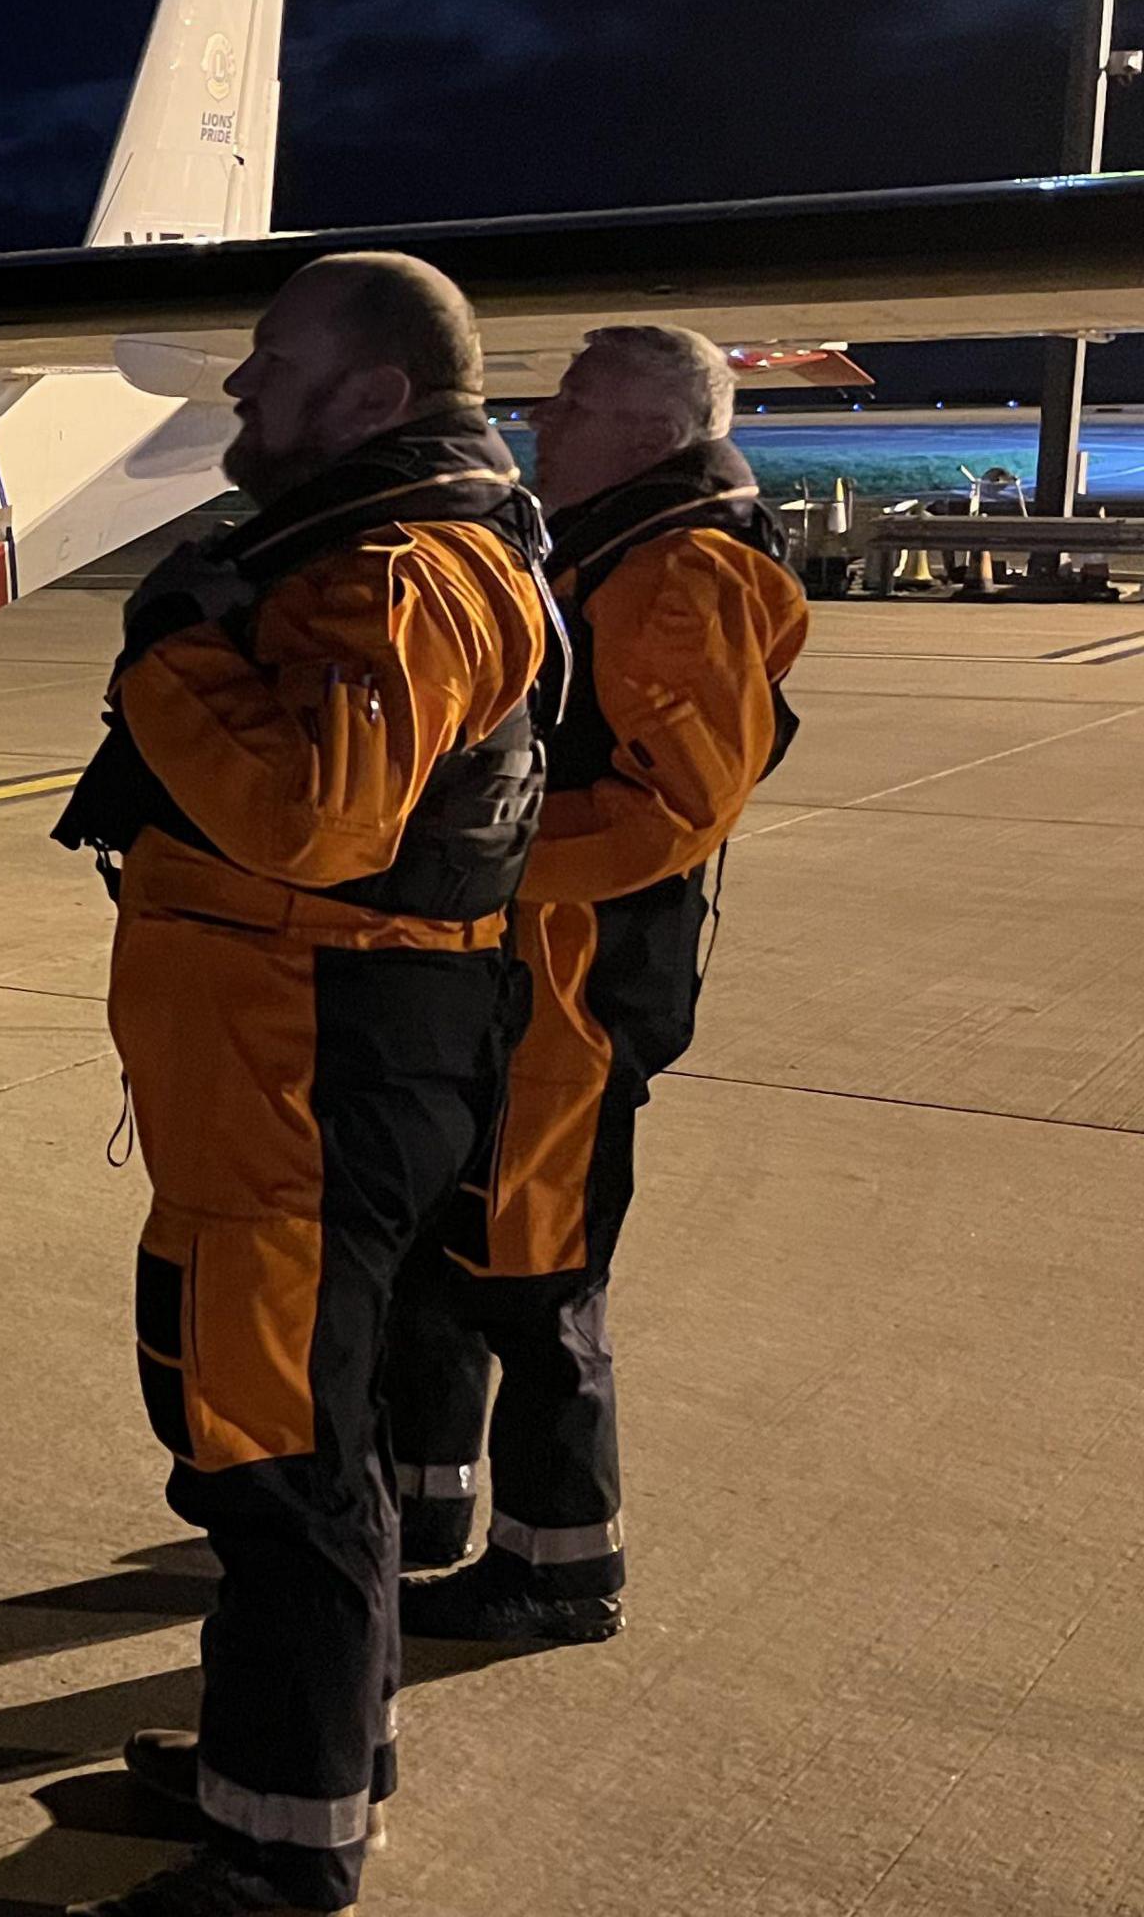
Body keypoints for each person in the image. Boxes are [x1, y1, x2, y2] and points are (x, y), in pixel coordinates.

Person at [52, 253, 559, 1917]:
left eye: (271, 364)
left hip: (309, 1070)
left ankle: (286, 1849)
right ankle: (285, 1754)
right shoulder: (371, 551)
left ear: (376, 398)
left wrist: (165, 664)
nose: (240, 393)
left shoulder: (393, 571)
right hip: (302, 1065)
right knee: (277, 1428)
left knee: (276, 1454)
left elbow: (314, 827)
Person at [385, 326, 808, 1644]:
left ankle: (561, 1567)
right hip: (519, 974)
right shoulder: (614, 544)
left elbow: (671, 807)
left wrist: (474, 869)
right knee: (442, 1250)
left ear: (652, 431)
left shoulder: (681, 570)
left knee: (538, 1273)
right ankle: (415, 1504)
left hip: (572, 985)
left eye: (573, 403)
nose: (544, 420)